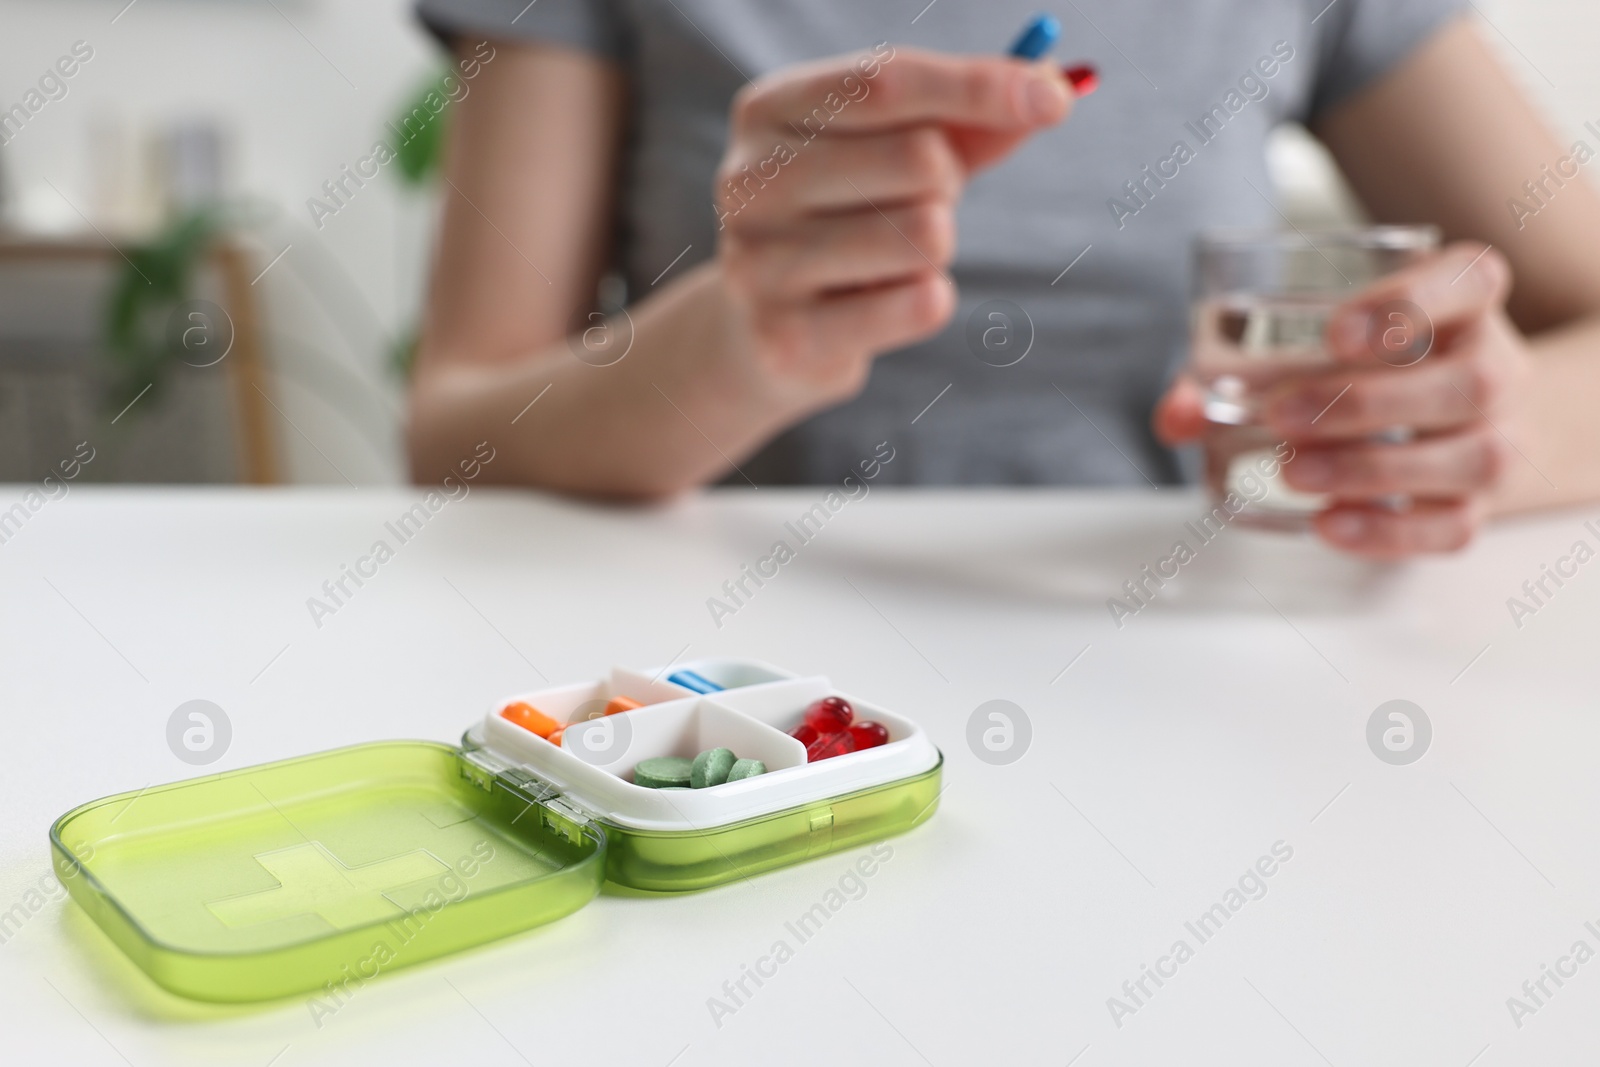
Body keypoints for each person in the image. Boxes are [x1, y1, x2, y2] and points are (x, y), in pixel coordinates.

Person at [406, 0, 1600, 559]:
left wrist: (1494, 429)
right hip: (744, 685)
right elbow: (456, 425)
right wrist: (735, 340)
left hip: (1190, 660)